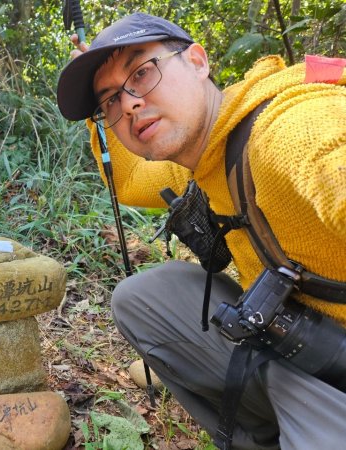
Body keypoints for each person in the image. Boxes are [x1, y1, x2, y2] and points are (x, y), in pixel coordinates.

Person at [56, 12, 346, 450]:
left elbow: (324, 153)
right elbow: (131, 180)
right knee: (140, 298)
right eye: (111, 100)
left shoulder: (288, 129)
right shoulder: (206, 152)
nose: (130, 103)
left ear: (197, 61)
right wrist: (98, 115)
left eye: (142, 72)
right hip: (304, 354)